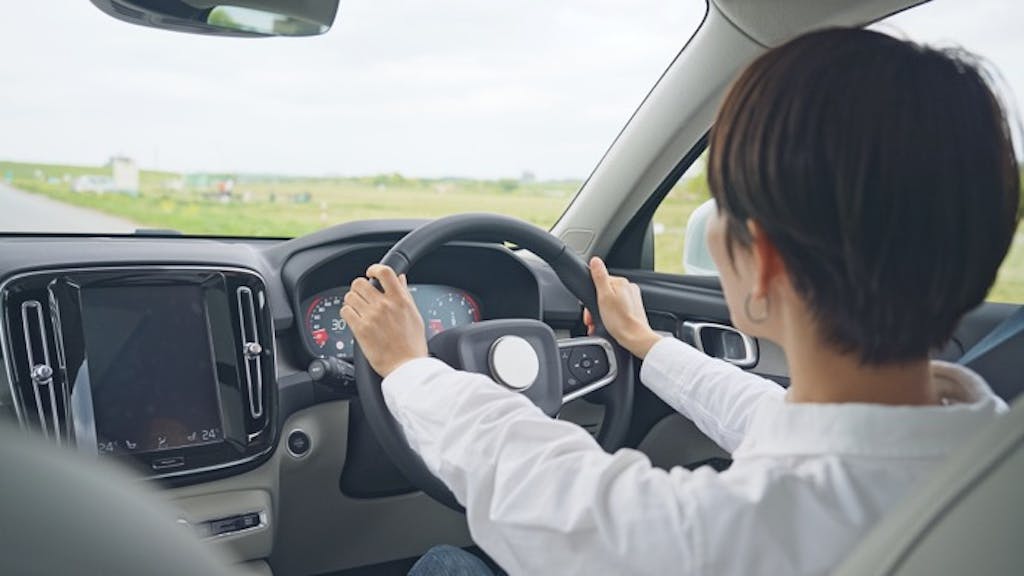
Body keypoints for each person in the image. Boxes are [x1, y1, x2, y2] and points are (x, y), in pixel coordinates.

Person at [340, 28, 1020, 576]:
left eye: (722, 210)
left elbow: (547, 489)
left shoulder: (725, 537)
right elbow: (785, 422)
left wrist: (408, 366)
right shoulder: (979, 454)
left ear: (765, 262)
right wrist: (647, 345)